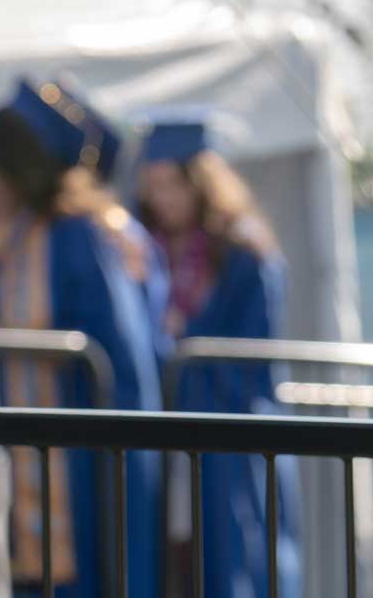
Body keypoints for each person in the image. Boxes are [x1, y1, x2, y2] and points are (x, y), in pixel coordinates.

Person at [0, 78, 161, 598]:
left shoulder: (81, 234)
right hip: (27, 441)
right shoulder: (10, 231)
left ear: (20, 167)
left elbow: (114, 354)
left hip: (78, 455)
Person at [136, 116, 301, 598]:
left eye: (173, 184)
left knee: (234, 561)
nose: (163, 198)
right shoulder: (145, 248)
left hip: (228, 437)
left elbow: (254, 358)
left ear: (201, 181)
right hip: (165, 434)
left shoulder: (244, 252)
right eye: (153, 186)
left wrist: (183, 352)